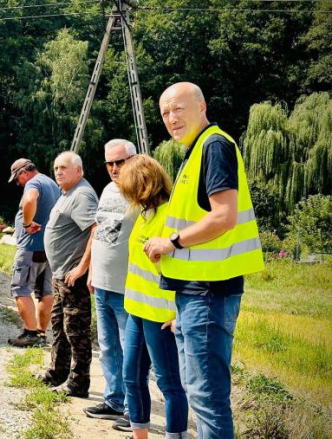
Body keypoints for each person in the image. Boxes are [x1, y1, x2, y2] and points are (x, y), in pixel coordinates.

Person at [144, 82, 265, 439]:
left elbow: (223, 217)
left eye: (178, 108)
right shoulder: (196, 150)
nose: (171, 118)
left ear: (201, 107)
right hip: (194, 294)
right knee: (201, 394)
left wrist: (171, 242)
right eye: (165, 112)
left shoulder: (214, 146)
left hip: (208, 294)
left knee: (207, 397)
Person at [119, 155, 189, 439]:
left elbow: (184, 268)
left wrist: (179, 314)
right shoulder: (145, 214)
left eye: (130, 189)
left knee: (169, 384)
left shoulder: (170, 216)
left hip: (161, 315)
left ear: (143, 186)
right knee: (132, 378)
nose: (128, 196)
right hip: (137, 310)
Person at [83, 139, 138, 429]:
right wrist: (91, 270)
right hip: (102, 283)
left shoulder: (143, 191)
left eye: (121, 161)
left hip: (127, 286)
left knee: (131, 350)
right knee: (107, 347)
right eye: (110, 163)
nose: (115, 168)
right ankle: (114, 401)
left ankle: (133, 409)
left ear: (134, 159)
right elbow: (98, 231)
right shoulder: (106, 190)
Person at [36, 151, 98, 397]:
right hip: (61, 275)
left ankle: (78, 383)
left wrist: (82, 268)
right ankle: (57, 373)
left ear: (79, 170)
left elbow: (96, 230)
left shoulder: (82, 194)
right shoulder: (67, 193)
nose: (58, 172)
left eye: (63, 167)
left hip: (74, 278)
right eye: (56, 168)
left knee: (76, 331)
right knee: (60, 327)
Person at [7, 158, 61, 347]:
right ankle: (41, 333)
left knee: (20, 288)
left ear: (24, 172)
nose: (18, 183)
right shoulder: (52, 183)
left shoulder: (34, 183)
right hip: (49, 248)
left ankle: (30, 334)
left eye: (17, 179)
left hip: (31, 247)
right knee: (46, 292)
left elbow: (30, 199)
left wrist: (27, 224)